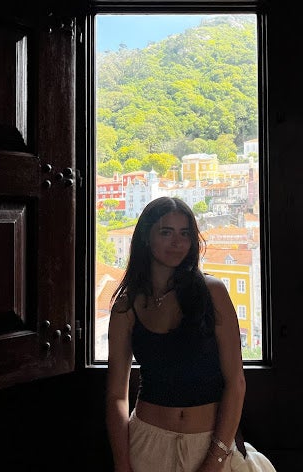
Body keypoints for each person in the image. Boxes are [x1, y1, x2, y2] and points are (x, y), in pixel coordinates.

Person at [106, 196, 246, 472]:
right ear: (146, 237)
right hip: (146, 444)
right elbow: (116, 396)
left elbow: (236, 383)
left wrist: (214, 461)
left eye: (185, 234)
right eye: (166, 232)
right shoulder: (126, 305)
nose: (177, 242)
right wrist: (122, 462)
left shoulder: (213, 293)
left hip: (209, 444)